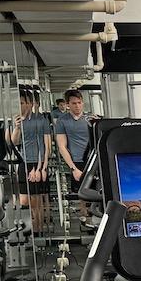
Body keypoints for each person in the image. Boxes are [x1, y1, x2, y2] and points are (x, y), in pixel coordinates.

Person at [10, 90, 54, 233]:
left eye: (23, 103)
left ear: (30, 104)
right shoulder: (17, 121)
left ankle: (38, 230)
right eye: (19, 103)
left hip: (38, 162)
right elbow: (14, 142)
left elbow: (47, 146)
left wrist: (41, 168)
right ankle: (29, 229)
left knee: (36, 202)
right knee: (23, 201)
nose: (20, 106)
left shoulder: (41, 120)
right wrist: (16, 128)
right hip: (24, 162)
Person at [55, 89, 95, 229]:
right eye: (74, 103)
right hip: (77, 160)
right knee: (83, 195)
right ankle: (87, 223)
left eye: (79, 103)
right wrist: (73, 168)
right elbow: (62, 146)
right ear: (67, 104)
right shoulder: (62, 121)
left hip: (94, 159)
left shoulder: (90, 119)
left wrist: (96, 124)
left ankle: (98, 222)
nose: (77, 106)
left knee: (97, 192)